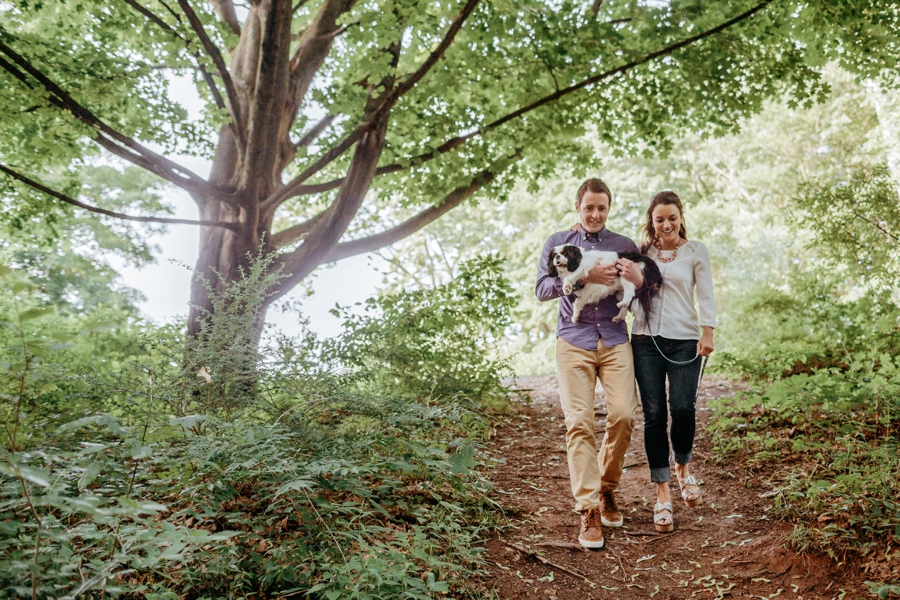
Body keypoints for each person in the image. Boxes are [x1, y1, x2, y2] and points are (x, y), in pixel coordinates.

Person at [535, 177, 645, 549]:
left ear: (608, 209)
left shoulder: (624, 246)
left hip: (615, 341)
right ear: (578, 209)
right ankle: (588, 509)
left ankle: (606, 489)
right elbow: (541, 289)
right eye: (589, 207)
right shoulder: (558, 243)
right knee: (579, 423)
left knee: (624, 416)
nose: (595, 214)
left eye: (601, 208)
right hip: (574, 340)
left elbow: (644, 285)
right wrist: (580, 275)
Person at [629, 190, 715, 533]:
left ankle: (682, 467)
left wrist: (707, 333)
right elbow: (628, 288)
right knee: (653, 414)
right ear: (652, 221)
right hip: (645, 339)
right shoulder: (642, 253)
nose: (666, 224)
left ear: (681, 218)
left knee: (682, 407)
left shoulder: (696, 251)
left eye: (672, 218)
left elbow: (705, 292)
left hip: (684, 340)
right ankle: (662, 492)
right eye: (659, 219)